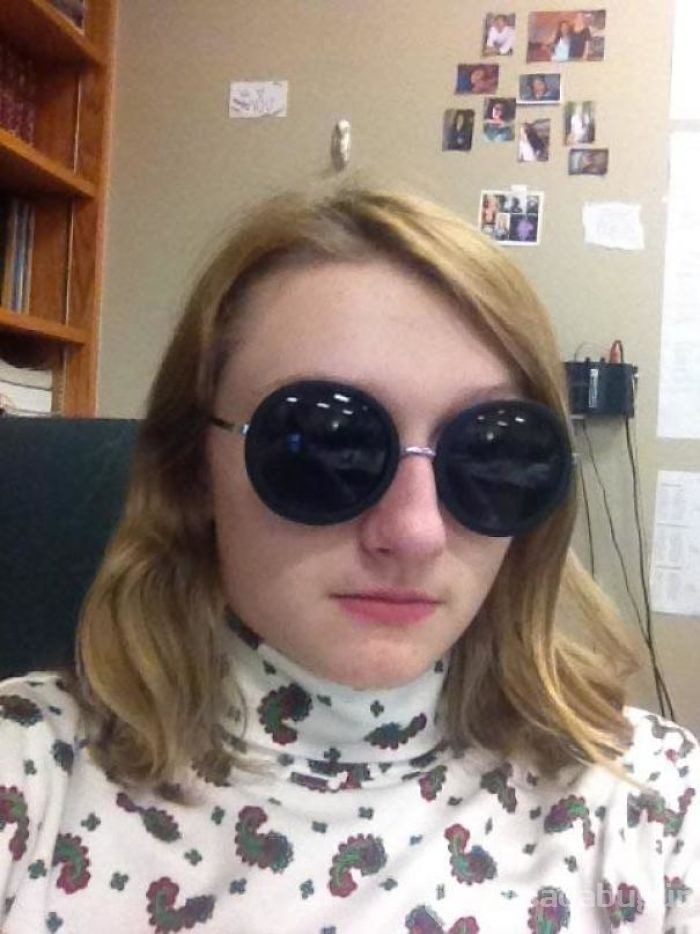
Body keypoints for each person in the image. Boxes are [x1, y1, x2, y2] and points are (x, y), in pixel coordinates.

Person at [1, 186, 698, 932]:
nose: (416, 531)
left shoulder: (655, 808)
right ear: (191, 470)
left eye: (491, 452)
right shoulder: (27, 779)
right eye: (331, 445)